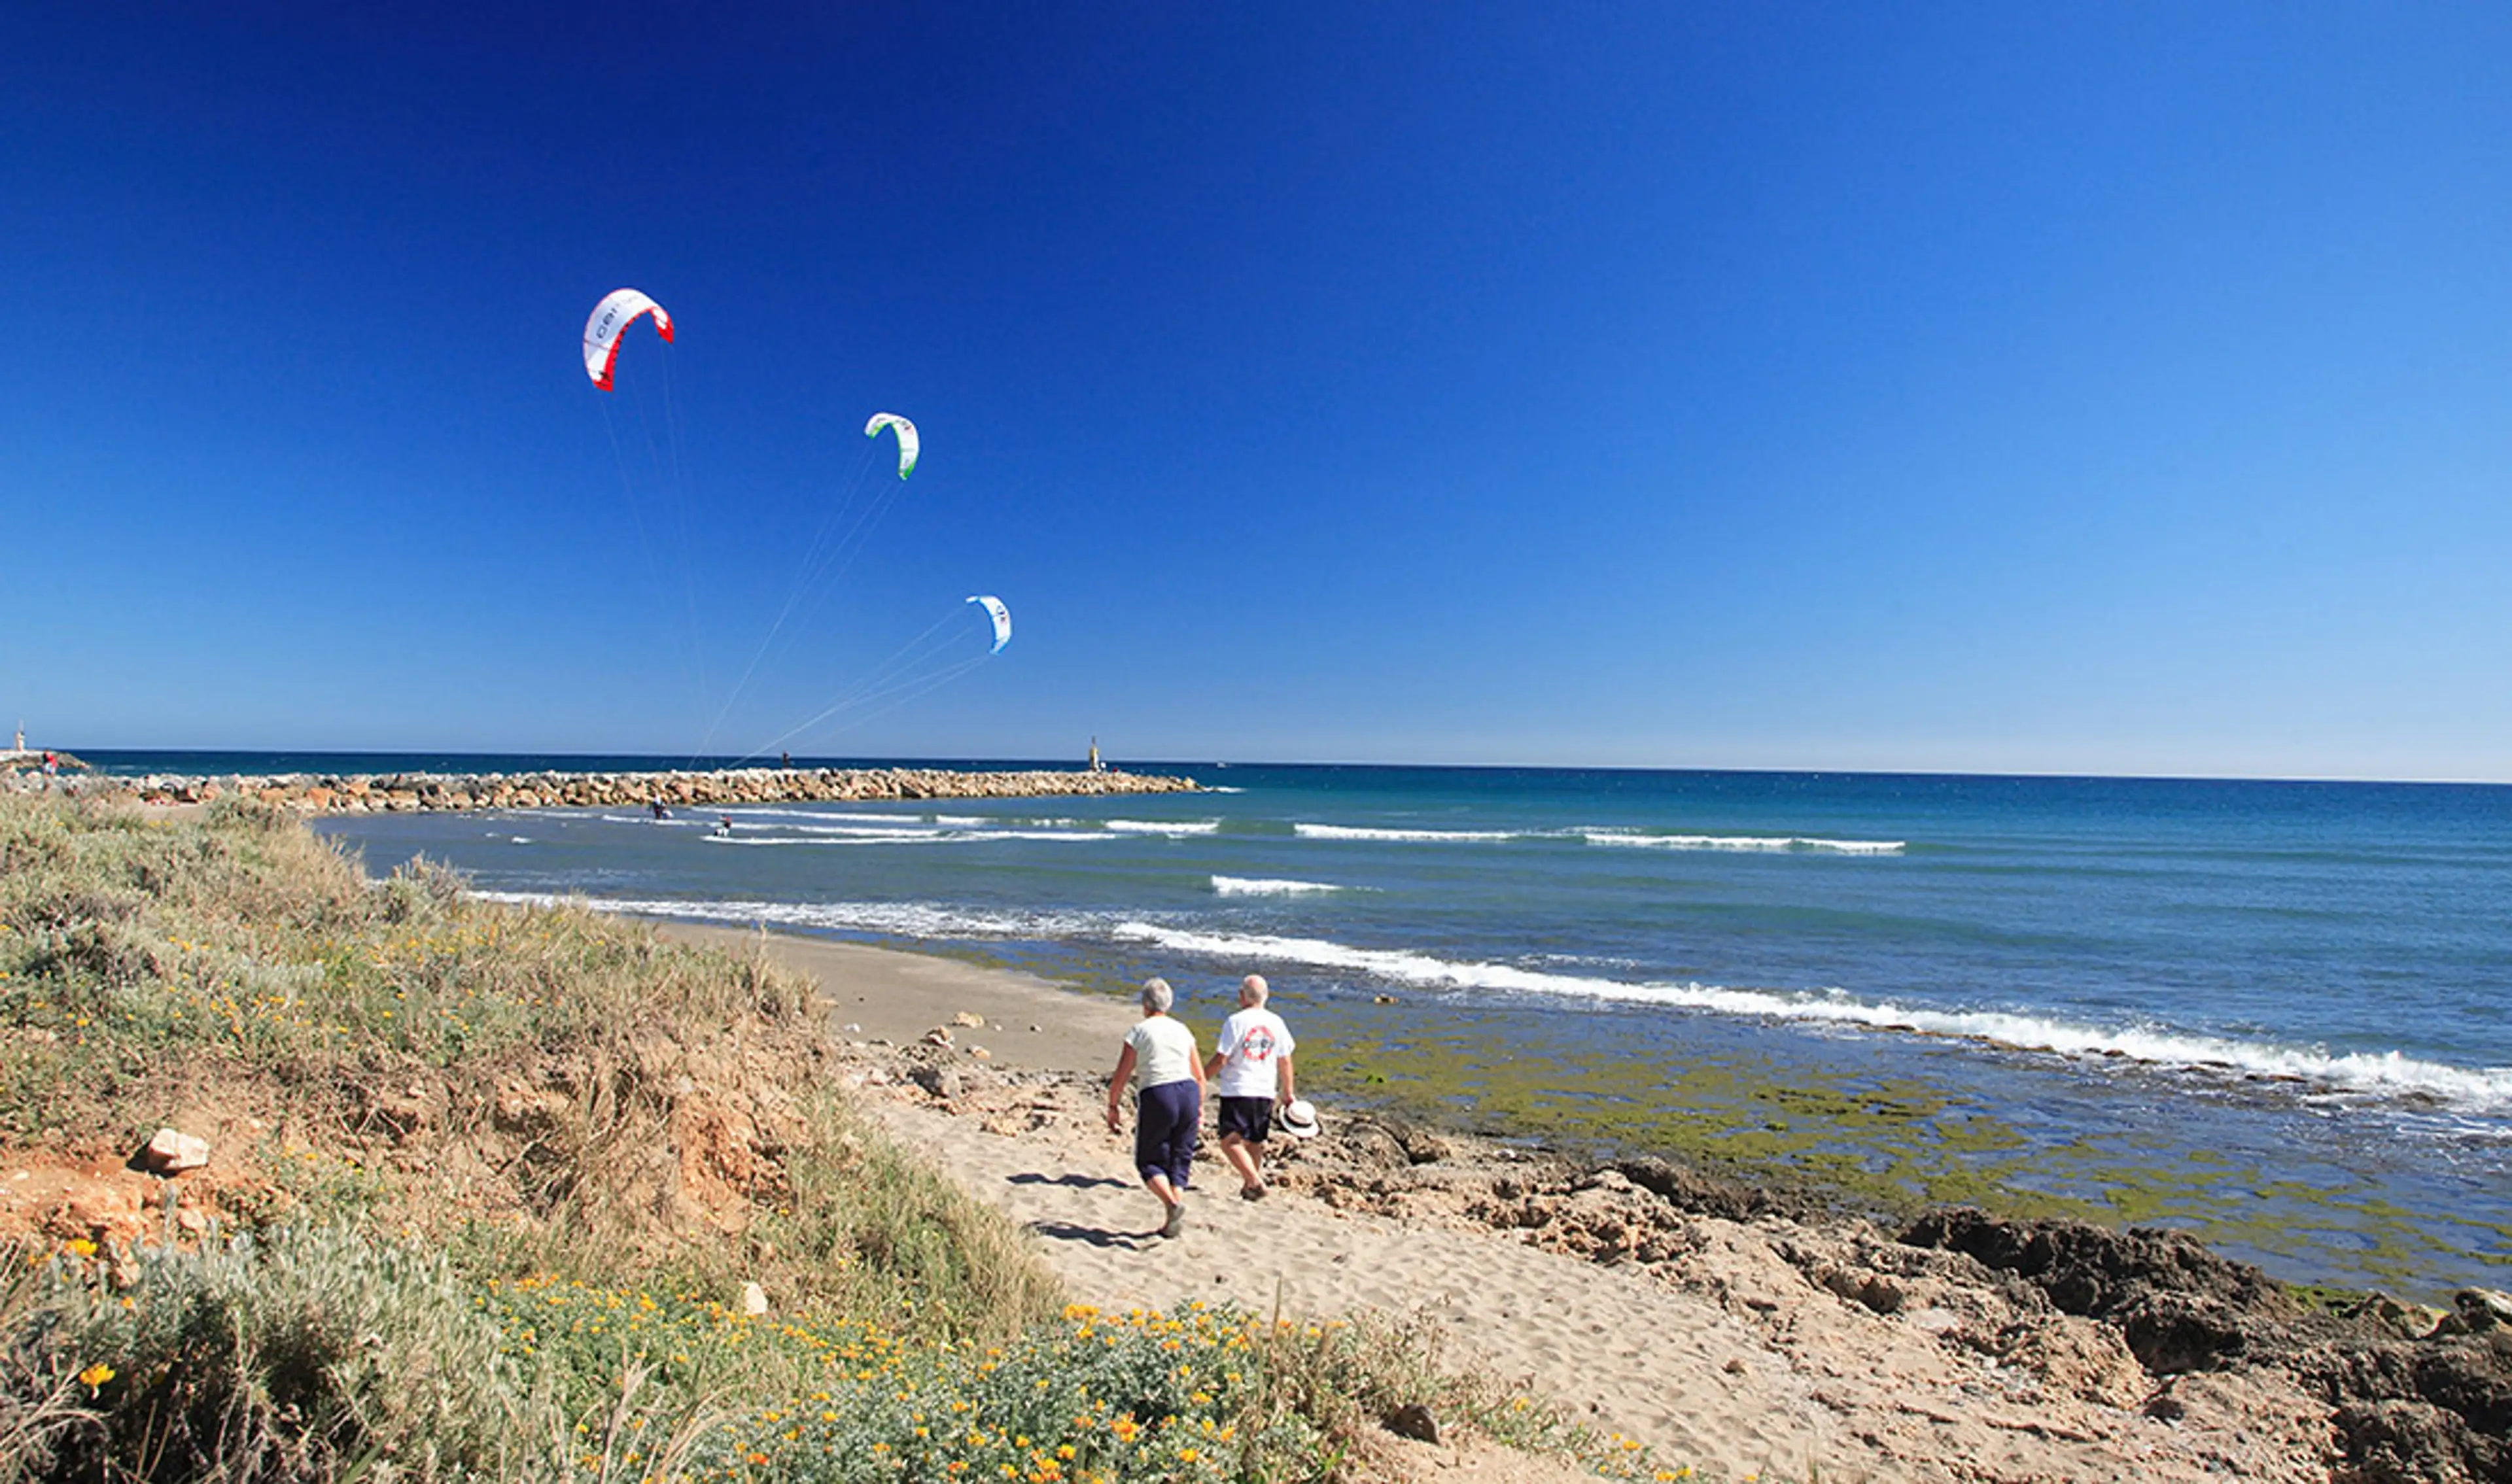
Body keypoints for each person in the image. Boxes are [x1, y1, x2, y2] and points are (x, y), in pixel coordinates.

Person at [1106, 976, 1206, 1239]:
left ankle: (1171, 1204)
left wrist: (1113, 1104)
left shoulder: (1140, 1031)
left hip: (1159, 1092)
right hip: (1188, 1091)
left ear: (1146, 1004)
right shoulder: (1182, 1029)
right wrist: (1200, 1106)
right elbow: (1199, 1076)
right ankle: (1172, 1216)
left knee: (1149, 1160)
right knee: (1179, 1156)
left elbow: (1123, 1073)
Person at [1205, 974, 1297, 1199]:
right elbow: (1285, 1061)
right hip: (1264, 1090)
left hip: (1239, 1088)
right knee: (1255, 1141)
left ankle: (1255, 1180)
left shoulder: (1236, 1021)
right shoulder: (1277, 1022)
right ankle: (1250, 1185)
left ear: (1242, 996)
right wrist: (1288, 1091)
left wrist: (1201, 1077)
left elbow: (1221, 1058)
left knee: (1229, 1141)